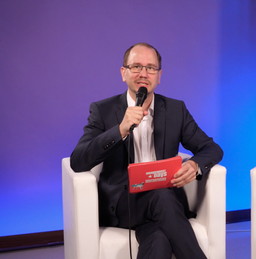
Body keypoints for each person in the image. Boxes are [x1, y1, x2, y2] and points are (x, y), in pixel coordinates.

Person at [70, 42, 223, 259]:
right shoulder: (102, 110)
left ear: (159, 76)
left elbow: (211, 148)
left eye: (151, 68)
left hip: (164, 204)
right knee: (162, 197)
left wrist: (194, 165)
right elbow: (78, 161)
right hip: (123, 203)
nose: (144, 73)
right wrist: (120, 129)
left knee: (158, 237)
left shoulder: (175, 109)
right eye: (136, 67)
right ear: (124, 73)